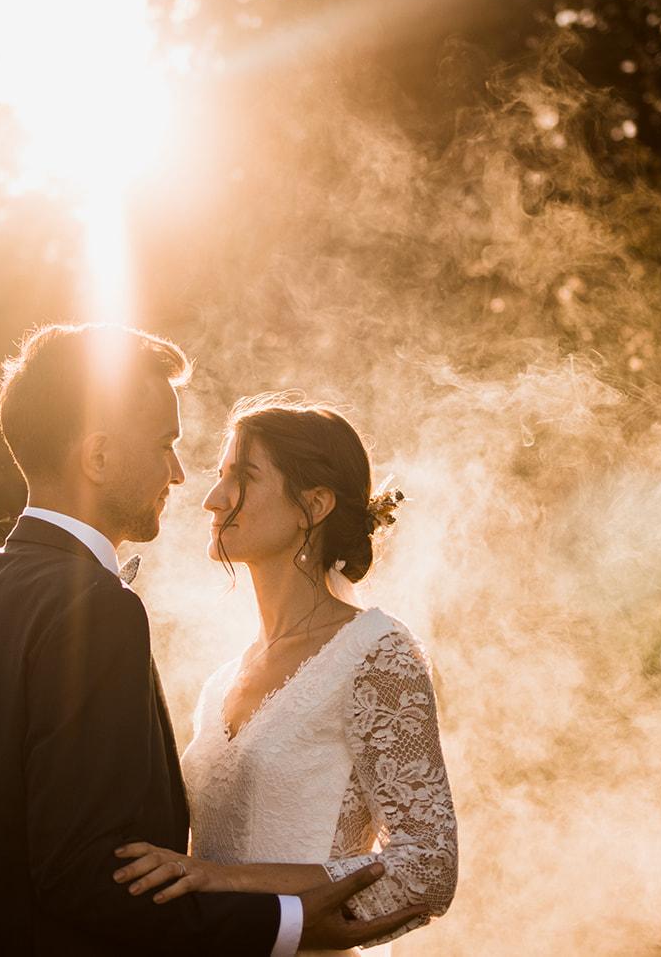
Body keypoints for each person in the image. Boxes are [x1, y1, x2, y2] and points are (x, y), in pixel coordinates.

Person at [0, 324, 425, 955]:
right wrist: (283, 925)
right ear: (97, 458)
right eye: (165, 444)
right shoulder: (96, 609)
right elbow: (81, 874)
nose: (182, 476)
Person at [111, 395, 458, 955]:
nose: (212, 499)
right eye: (219, 476)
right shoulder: (222, 680)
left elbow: (428, 867)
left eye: (242, 476)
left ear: (312, 506)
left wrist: (222, 880)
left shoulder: (378, 652)